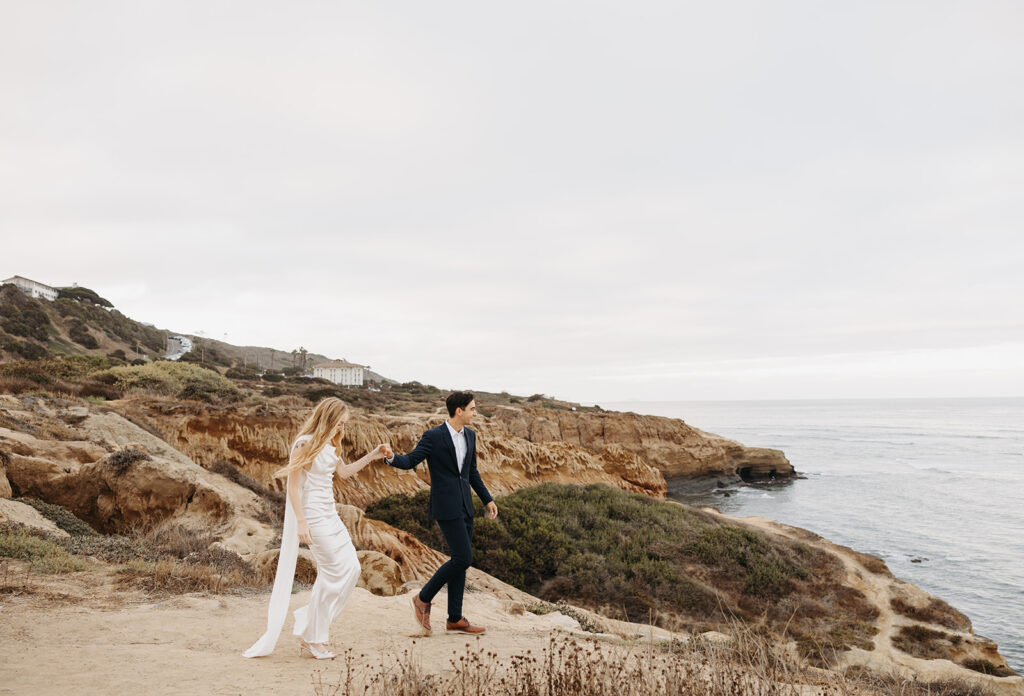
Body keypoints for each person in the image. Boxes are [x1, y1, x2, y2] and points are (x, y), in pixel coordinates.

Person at [243, 397, 391, 659]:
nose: (341, 429)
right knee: (333, 573)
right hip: (312, 516)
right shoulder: (304, 443)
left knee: (352, 569)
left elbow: (343, 473)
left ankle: (310, 627)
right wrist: (301, 522)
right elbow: (292, 486)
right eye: (339, 423)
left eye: (344, 424)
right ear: (328, 418)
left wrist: (373, 455)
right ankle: (313, 638)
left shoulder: (332, 443)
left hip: (331, 514)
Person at [386, 391, 498, 635]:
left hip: (465, 505)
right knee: (463, 558)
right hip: (446, 506)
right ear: (459, 411)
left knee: (460, 562)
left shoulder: (470, 435)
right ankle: (422, 599)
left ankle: (455, 618)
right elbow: (410, 461)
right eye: (472, 409)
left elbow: (472, 472)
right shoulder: (433, 436)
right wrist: (391, 457)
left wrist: (487, 499)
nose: (475, 413)